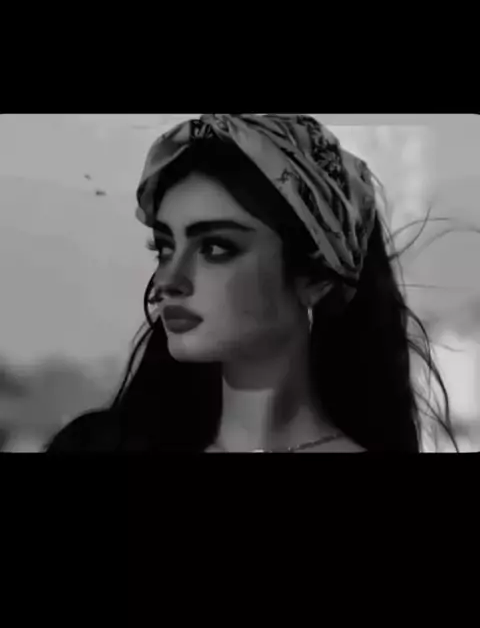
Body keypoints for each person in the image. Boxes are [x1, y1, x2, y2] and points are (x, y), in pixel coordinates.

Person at [45, 114, 459, 453]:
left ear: (316, 277)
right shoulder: (96, 448)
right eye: (165, 248)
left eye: (215, 248)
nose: (168, 281)